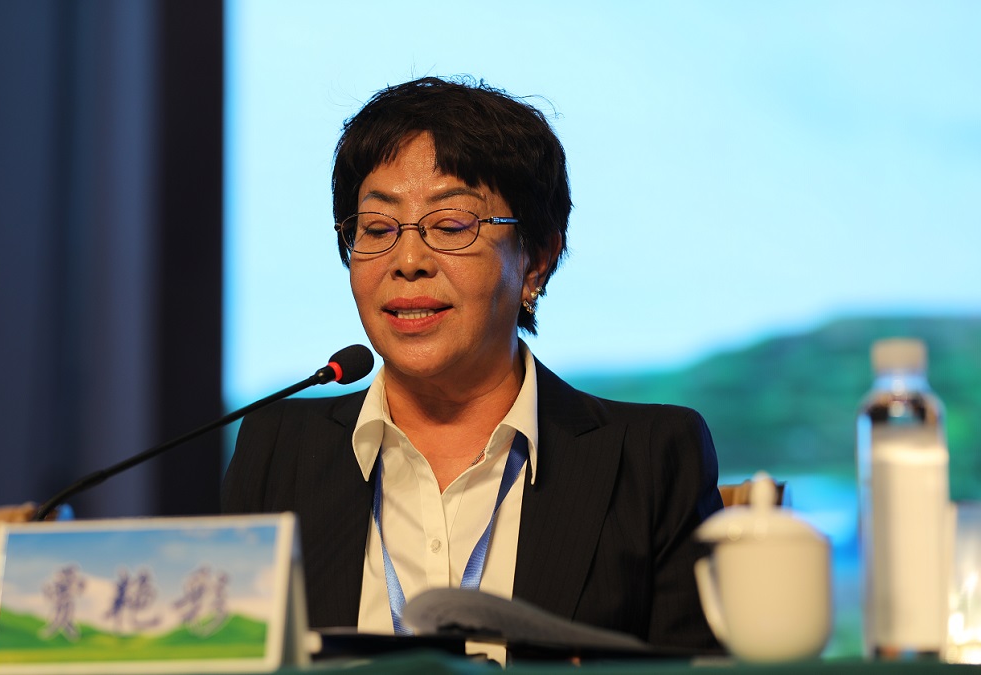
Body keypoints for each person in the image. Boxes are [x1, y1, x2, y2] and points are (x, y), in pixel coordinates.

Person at [221, 76, 723, 657]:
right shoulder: (277, 451)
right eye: (378, 229)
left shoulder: (650, 457)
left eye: (451, 226)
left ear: (536, 259)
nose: (409, 260)